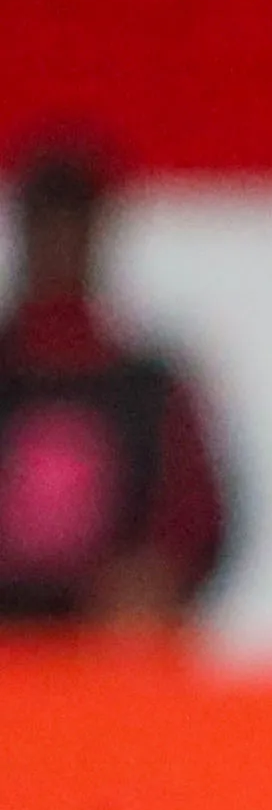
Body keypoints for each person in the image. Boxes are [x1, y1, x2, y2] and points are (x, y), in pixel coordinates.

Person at [0, 141, 233, 628]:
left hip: (109, 641)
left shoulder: (150, 386)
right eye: (47, 228)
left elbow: (199, 528)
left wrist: (154, 577)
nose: (59, 245)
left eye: (73, 228)